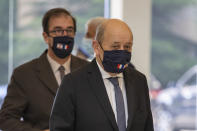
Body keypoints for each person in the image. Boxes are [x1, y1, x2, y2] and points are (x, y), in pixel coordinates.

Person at [50, 19, 154, 131]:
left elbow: (147, 126)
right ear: (96, 47)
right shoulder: (73, 83)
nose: (122, 52)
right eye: (115, 47)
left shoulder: (139, 81)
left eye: (127, 47)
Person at [0, 8, 88, 131]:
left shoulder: (88, 70)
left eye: (69, 30)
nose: (64, 35)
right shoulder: (24, 74)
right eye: (58, 31)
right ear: (46, 37)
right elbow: (6, 119)